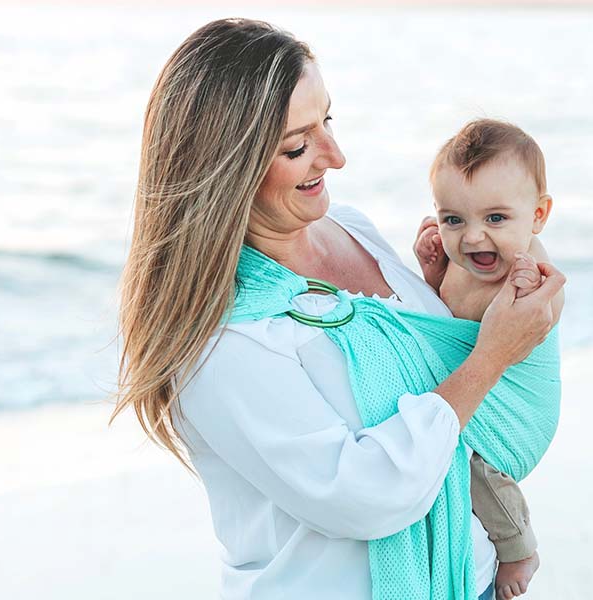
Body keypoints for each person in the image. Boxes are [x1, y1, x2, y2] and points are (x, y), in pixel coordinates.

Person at [110, 18, 565, 600]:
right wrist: (493, 357)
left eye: (327, 120)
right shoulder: (225, 339)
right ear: (229, 167)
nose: (337, 156)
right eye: (298, 146)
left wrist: (439, 286)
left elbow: (426, 353)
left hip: (467, 579)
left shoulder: (350, 229)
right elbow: (365, 497)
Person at [414, 119, 565, 600]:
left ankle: (517, 546)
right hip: (481, 395)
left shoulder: (532, 277)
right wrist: (430, 271)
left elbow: (535, 319)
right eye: (453, 219)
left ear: (537, 215)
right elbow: (441, 315)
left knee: (468, 467)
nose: (474, 237)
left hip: (515, 418)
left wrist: (521, 294)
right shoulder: (466, 264)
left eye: (496, 219)